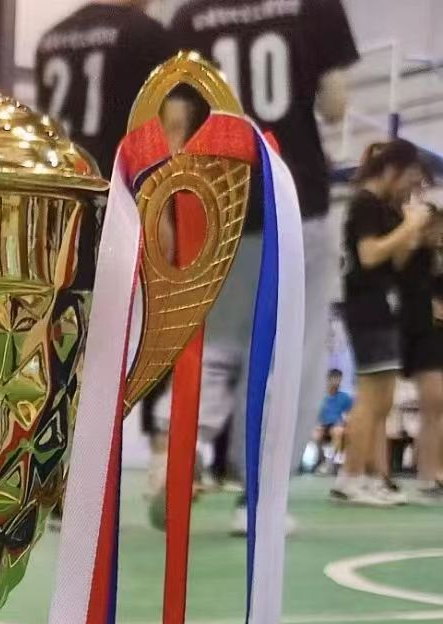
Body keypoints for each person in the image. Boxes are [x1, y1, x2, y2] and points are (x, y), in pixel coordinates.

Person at [151, 0, 360, 531]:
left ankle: (182, 449)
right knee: (288, 352)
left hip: (217, 202)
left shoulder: (190, 17)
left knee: (213, 343)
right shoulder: (312, 5)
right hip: (293, 199)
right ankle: (258, 499)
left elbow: (174, 121)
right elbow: (335, 105)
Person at [332, 140, 430, 507]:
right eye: (409, 178)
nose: (409, 187)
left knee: (383, 400)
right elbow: (369, 254)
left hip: (386, 306)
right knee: (371, 397)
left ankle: (370, 475)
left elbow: (396, 262)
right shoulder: (365, 204)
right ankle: (350, 477)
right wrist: (410, 227)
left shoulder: (386, 208)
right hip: (367, 307)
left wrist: (411, 229)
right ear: (392, 170)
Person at [35, 0, 169, 178]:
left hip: (59, 175)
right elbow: (173, 123)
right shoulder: (147, 33)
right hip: (117, 181)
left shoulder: (50, 38)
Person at [398, 203, 443, 500]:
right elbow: (412, 298)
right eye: (434, 225)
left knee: (438, 409)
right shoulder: (414, 257)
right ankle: (428, 473)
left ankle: (434, 470)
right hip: (424, 338)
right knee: (432, 406)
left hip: (437, 336)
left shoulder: (436, 259)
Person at [311, 367, 353, 472]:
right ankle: (320, 461)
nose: (336, 381)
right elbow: (317, 415)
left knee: (338, 431)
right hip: (323, 425)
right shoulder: (322, 398)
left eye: (338, 379)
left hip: (337, 425)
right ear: (328, 379)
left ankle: (332, 462)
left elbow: (349, 415)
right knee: (316, 434)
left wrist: (344, 422)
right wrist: (319, 425)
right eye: (333, 378)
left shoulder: (345, 398)